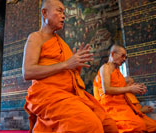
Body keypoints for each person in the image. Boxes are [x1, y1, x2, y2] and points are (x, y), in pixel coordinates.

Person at [22, 0, 118, 132]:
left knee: (110, 126)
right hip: (48, 94)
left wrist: (76, 64)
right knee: (91, 124)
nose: (63, 16)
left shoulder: (63, 44)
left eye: (64, 12)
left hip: (71, 94)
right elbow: (27, 72)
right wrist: (66, 64)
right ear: (44, 12)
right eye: (59, 11)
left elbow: (67, 72)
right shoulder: (35, 37)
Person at [95, 44, 149, 133]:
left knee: (147, 125)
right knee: (138, 126)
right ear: (112, 54)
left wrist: (137, 88)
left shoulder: (118, 72)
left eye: (125, 57)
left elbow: (121, 89)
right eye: (122, 56)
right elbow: (107, 90)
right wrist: (129, 89)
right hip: (111, 107)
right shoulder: (105, 68)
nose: (124, 59)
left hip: (123, 107)